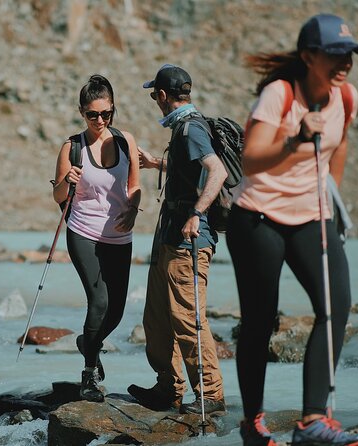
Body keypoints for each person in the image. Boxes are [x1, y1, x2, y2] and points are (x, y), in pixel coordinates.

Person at [227, 14, 358, 446]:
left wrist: (329, 198)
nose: (345, 62)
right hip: (257, 218)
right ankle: (253, 424)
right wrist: (293, 141)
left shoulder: (346, 95)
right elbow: (250, 160)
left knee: (336, 307)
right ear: (309, 56)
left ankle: (311, 422)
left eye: (351, 54)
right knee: (259, 322)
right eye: (335, 54)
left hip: (312, 217)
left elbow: (340, 144)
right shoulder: (279, 94)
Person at [128, 65, 227, 415]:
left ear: (163, 96)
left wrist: (197, 214)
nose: (155, 99)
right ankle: (167, 389)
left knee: (188, 317)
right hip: (170, 237)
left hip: (188, 242)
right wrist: (157, 163)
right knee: (156, 317)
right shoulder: (184, 128)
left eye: (155, 94)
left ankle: (211, 396)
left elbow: (217, 170)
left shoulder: (190, 129)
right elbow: (190, 169)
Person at [53, 74, 140, 402]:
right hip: (84, 233)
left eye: (107, 114)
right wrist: (67, 179)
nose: (100, 120)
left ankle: (88, 342)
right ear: (82, 112)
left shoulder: (124, 141)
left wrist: (134, 209)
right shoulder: (72, 147)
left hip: (120, 235)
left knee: (116, 311)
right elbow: (58, 196)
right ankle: (88, 375)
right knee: (99, 301)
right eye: (93, 115)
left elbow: (135, 185)